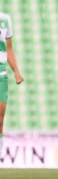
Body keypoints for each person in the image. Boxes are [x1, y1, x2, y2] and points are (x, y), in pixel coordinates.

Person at [0, 13, 24, 158]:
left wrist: (17, 72)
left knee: (0, 122)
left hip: (1, 76)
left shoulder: (5, 19)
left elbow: (9, 49)